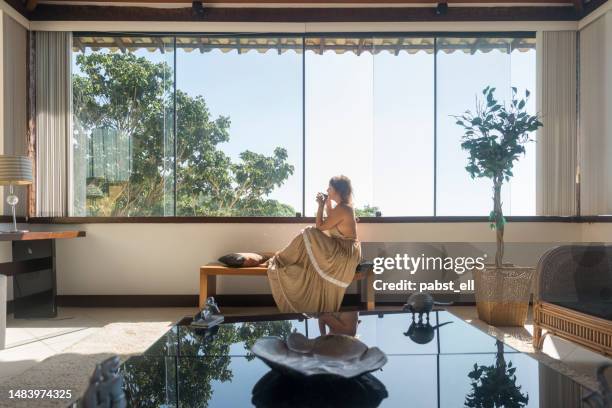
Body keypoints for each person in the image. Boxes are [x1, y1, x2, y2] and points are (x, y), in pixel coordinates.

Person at [267, 175, 362, 313]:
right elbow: (331, 217)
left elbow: (320, 226)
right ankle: (284, 256)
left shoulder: (344, 208)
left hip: (345, 254)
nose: (327, 190)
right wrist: (327, 202)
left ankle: (281, 257)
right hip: (345, 250)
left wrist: (321, 205)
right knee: (308, 236)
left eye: (329, 188)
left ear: (337, 190)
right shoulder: (341, 208)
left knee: (310, 231)